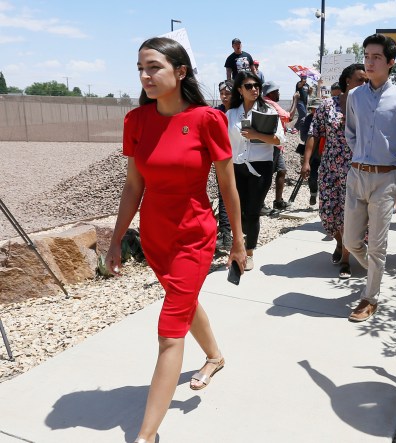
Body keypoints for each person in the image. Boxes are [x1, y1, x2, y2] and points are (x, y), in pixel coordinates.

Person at [107, 37, 246, 443]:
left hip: (193, 237)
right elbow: (133, 186)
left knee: (170, 330)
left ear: (180, 71)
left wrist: (238, 241)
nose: (145, 76)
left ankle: (146, 435)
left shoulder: (207, 119)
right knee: (183, 303)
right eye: (140, 69)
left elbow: (228, 186)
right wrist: (117, 240)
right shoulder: (136, 121)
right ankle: (215, 357)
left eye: (154, 67)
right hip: (154, 238)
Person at [344, 34, 396, 322]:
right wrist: (361, 159)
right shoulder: (355, 96)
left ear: (391, 62)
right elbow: (350, 132)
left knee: (378, 244)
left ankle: (370, 297)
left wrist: (393, 170)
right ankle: (376, 270)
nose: (369, 61)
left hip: (385, 180)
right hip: (356, 176)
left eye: (376, 57)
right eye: (366, 55)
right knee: (351, 241)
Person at [301, 63, 368, 279]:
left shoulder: (368, 107)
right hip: (330, 168)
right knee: (329, 214)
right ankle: (340, 242)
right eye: (360, 79)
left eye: (366, 80)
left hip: (357, 169)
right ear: (347, 81)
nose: (364, 83)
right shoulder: (328, 106)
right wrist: (307, 161)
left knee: (350, 214)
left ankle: (346, 260)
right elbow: (314, 132)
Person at [225, 72, 286, 270]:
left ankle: (249, 252)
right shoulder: (231, 114)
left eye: (256, 85)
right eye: (249, 86)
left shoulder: (268, 111)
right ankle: (240, 244)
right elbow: (223, 140)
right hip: (236, 166)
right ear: (240, 90)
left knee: (252, 211)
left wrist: (256, 134)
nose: (254, 89)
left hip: (260, 167)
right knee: (238, 211)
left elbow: (279, 140)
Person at [262, 80, 291, 212]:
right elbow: (287, 117)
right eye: (277, 92)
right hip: (272, 144)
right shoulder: (269, 103)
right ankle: (260, 204)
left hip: (276, 145)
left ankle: (278, 202)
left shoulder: (267, 102)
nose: (279, 94)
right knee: (266, 176)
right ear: (271, 93)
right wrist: (296, 100)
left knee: (281, 170)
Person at [215, 80, 234, 249]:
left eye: (227, 93)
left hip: (240, 159)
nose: (224, 96)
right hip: (222, 159)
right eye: (222, 93)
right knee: (223, 195)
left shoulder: (239, 112)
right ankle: (226, 234)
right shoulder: (217, 113)